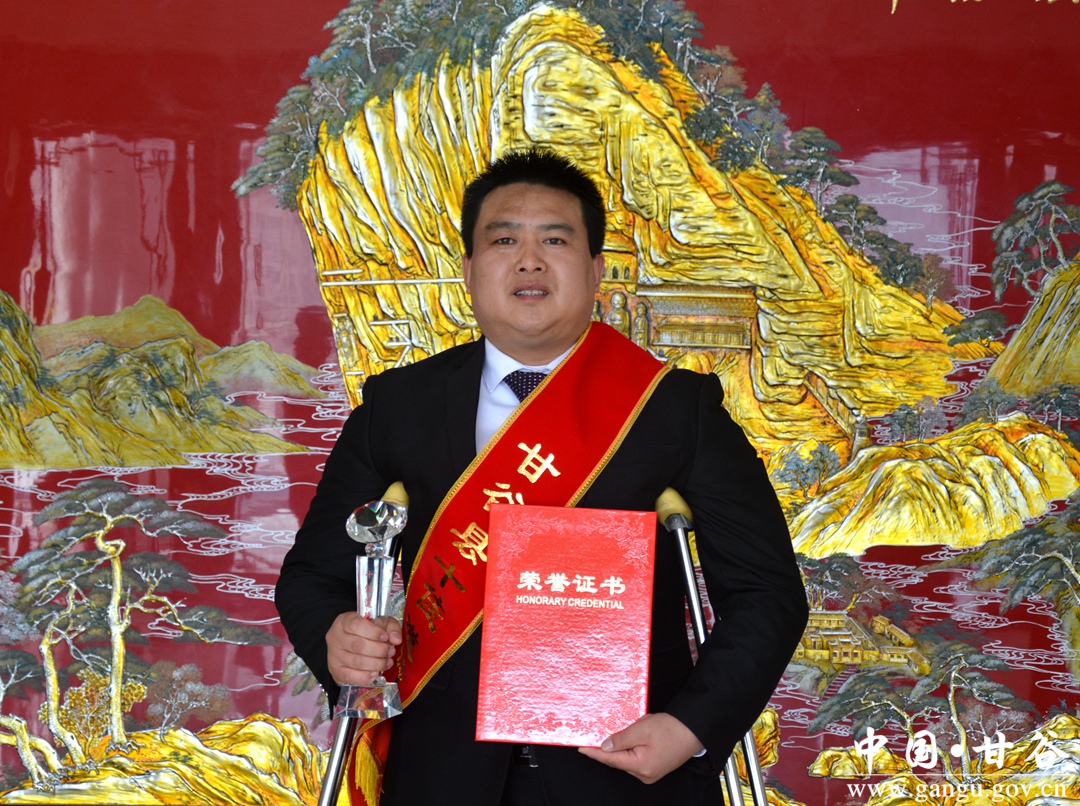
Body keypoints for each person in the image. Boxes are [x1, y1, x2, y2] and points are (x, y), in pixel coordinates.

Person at [276, 148, 808, 806]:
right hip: (442, 776)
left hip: (627, 775)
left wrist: (689, 728)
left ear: (596, 269)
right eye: (504, 240)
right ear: (469, 269)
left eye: (555, 240)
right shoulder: (400, 407)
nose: (529, 261)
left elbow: (766, 594)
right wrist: (336, 640)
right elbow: (311, 577)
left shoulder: (673, 409)